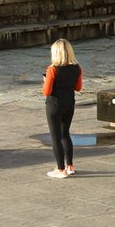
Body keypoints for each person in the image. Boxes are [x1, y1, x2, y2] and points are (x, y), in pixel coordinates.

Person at [42, 38, 82, 178]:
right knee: (65, 134)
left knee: (55, 137)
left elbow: (46, 92)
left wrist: (45, 80)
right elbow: (78, 87)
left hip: (54, 105)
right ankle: (69, 165)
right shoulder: (77, 67)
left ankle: (60, 169)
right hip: (69, 103)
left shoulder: (52, 69)